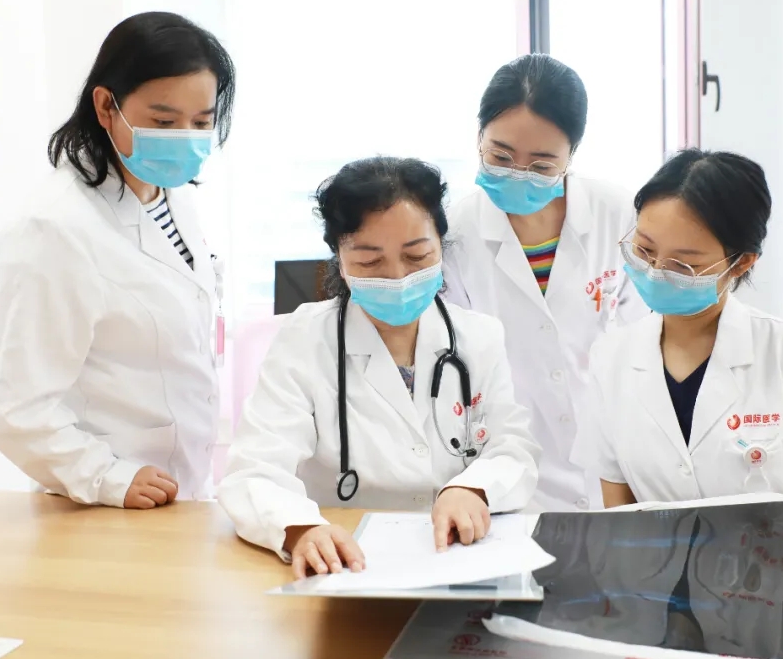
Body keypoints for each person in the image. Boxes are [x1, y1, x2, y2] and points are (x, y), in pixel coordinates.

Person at [218, 157, 541, 578]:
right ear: (339, 258)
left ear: (441, 246)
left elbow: (513, 448)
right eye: (370, 262)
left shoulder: (479, 337)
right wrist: (300, 528)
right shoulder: (304, 340)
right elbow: (255, 471)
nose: (397, 277)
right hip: (345, 562)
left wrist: (473, 487)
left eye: (417, 256)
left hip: (458, 556)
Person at [0, 12, 236, 509]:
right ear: (105, 106)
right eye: (164, 122)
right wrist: (106, 476)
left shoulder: (171, 196)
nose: (184, 137)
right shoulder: (54, 228)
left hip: (183, 494)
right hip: (102, 503)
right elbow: (13, 407)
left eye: (201, 122)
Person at [585, 149, 783, 526]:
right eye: (645, 250)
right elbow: (618, 515)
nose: (656, 272)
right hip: (651, 565)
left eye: (684, 264)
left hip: (770, 564)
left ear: (741, 262)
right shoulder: (611, 356)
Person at [443, 54, 649, 512]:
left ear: (571, 155)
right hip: (505, 467)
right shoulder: (455, 235)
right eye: (500, 156)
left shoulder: (619, 216)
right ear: (478, 137)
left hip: (615, 461)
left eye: (541, 166)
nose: (518, 174)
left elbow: (642, 342)